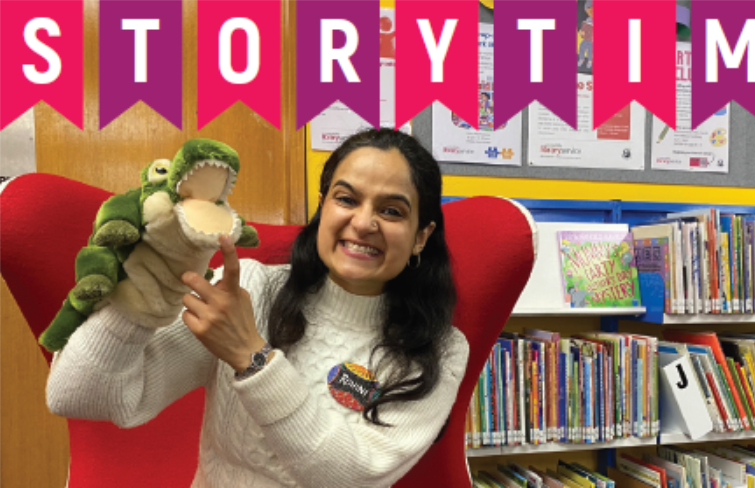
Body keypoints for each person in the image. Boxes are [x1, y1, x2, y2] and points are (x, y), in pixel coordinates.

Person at [46, 129, 470, 488]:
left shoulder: (443, 349)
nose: (363, 222)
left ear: (420, 236)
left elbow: (355, 475)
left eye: (391, 210)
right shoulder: (248, 289)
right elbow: (76, 396)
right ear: (323, 206)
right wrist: (136, 309)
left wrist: (253, 359)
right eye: (346, 199)